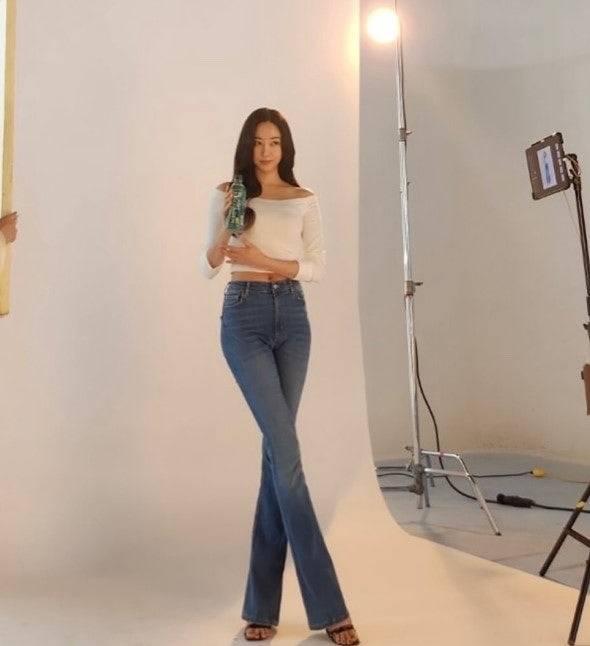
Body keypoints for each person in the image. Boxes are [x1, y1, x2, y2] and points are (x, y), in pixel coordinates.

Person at [199, 108, 361, 645]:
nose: (266, 151)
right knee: (286, 457)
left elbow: (316, 265)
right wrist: (227, 228)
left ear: (285, 147)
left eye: (275, 142)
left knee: (278, 457)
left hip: (292, 319)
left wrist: (268, 259)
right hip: (243, 316)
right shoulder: (229, 193)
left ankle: (261, 609)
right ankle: (331, 607)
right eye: (258, 142)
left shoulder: (304, 198)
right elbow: (208, 264)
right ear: (246, 145)